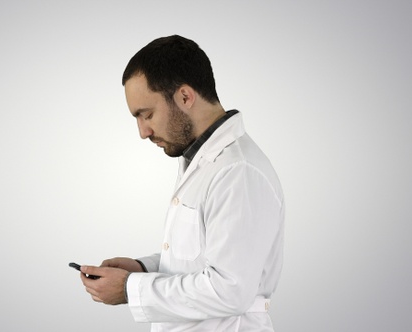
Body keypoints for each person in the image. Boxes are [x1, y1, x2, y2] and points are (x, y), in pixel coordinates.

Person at [77, 35, 285, 332]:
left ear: (185, 97)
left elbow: (229, 289)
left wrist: (130, 288)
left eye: (146, 114)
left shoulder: (238, 171)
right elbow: (199, 258)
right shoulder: (202, 160)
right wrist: (143, 268)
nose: (143, 132)